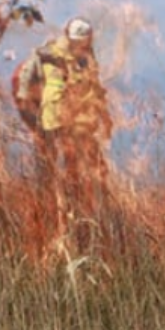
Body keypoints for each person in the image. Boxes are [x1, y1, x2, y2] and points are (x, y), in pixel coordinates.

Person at [35, 16, 112, 219]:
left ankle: (69, 210)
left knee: (67, 171)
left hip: (60, 118)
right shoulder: (62, 57)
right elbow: (84, 88)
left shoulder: (57, 52)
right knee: (66, 171)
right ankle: (65, 213)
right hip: (62, 120)